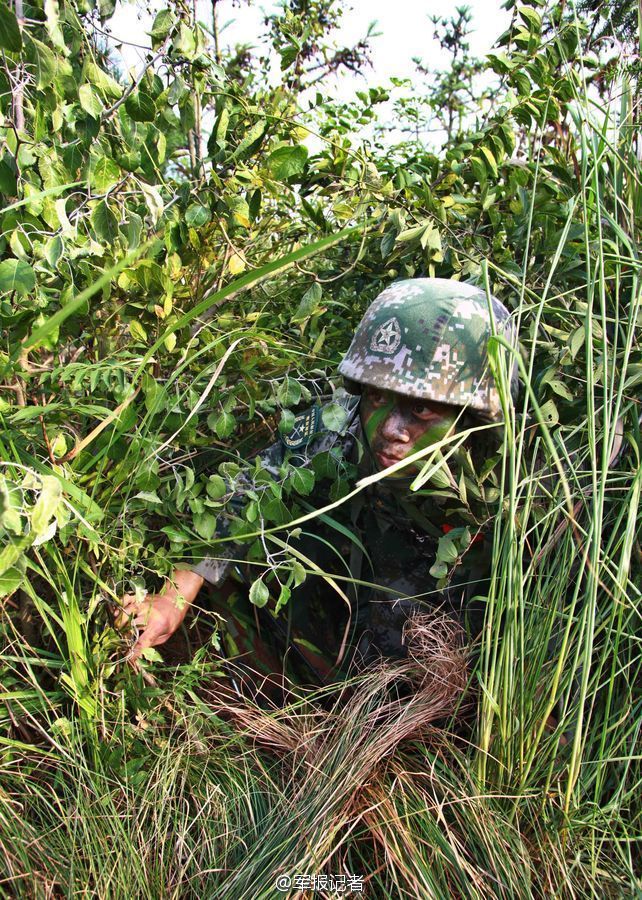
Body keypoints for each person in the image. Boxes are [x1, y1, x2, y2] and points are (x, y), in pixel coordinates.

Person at [118, 278, 517, 689]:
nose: (391, 430)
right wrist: (171, 599)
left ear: (475, 416)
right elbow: (246, 493)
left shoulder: (511, 486)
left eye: (421, 409)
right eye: (378, 399)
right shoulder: (339, 427)